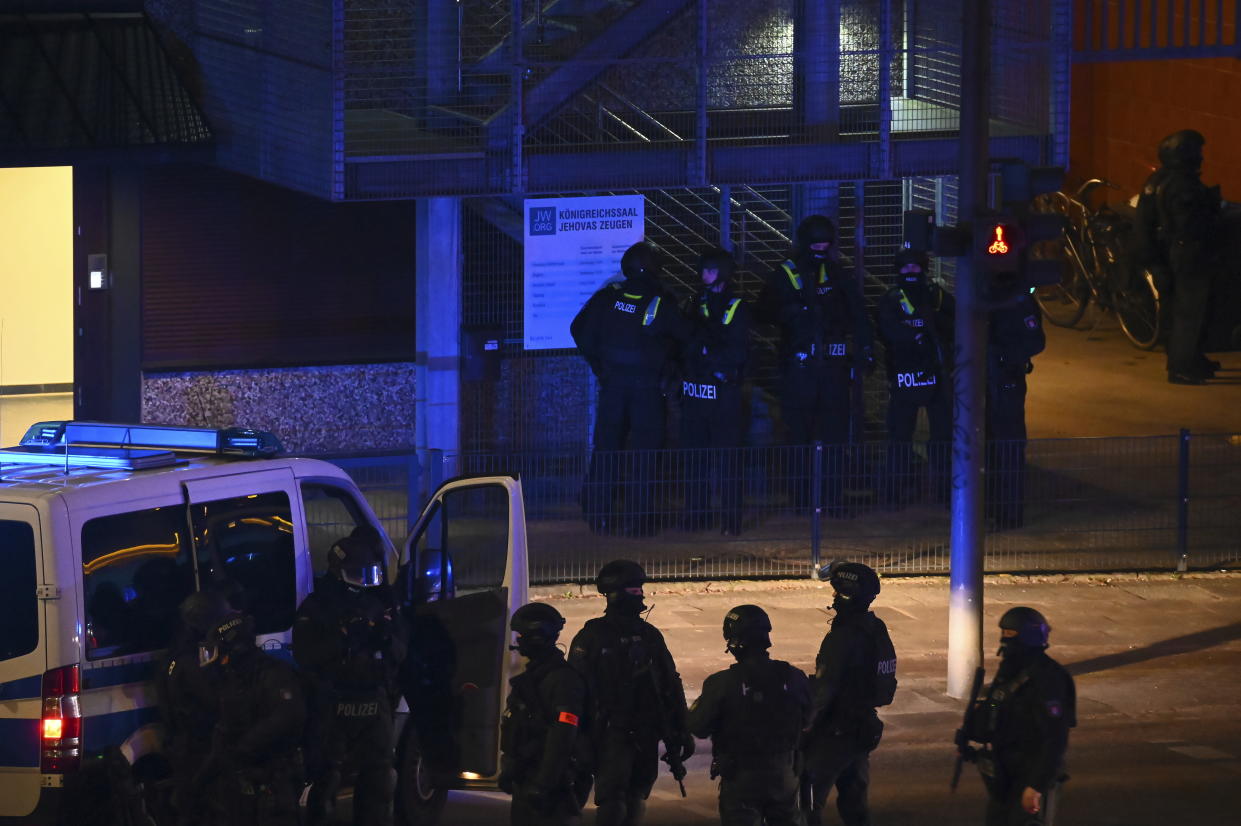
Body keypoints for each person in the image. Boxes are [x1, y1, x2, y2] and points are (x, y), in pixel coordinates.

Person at [571, 241, 691, 536]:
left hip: (613, 388)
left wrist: (601, 369)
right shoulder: (661, 302)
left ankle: (600, 519)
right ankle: (640, 523)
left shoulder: (607, 297)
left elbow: (579, 330)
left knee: (606, 451)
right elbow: (687, 336)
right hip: (647, 390)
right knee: (644, 455)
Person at [760, 214, 874, 514]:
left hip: (833, 368)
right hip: (800, 368)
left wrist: (864, 348)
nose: (821, 250)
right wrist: (791, 313)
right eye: (816, 244)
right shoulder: (785, 274)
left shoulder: (838, 274)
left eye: (826, 244)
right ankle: (800, 499)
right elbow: (764, 311)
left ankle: (832, 498)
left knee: (834, 434)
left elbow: (858, 314)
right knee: (798, 433)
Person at [294, 530, 409, 826]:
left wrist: (385, 639)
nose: (365, 582)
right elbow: (307, 655)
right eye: (358, 575)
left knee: (379, 777)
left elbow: (400, 650)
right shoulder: (317, 607)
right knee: (327, 776)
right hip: (335, 702)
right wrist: (344, 640)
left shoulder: (379, 603)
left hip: (374, 699)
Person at [568, 559, 694, 826]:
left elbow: (670, 685)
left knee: (636, 795)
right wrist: (578, 738)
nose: (642, 595)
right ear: (617, 594)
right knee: (614, 799)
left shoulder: (649, 636)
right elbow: (574, 692)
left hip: (645, 730)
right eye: (636, 590)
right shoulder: (593, 637)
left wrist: (681, 729)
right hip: (610, 732)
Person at [687, 605, 812, 826]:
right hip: (784, 771)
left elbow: (698, 725)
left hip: (742, 775)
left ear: (735, 641)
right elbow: (809, 716)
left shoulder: (722, 683)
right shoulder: (794, 676)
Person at [957, 607, 1076, 826]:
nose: (1005, 640)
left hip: (1031, 771)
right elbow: (997, 705)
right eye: (1004, 633)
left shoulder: (1048, 678)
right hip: (1004, 771)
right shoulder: (1011, 668)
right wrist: (973, 730)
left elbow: (1055, 738)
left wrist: (1036, 785)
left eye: (1011, 634)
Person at [800, 561, 897, 826]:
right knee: (855, 805)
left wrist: (804, 728)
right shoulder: (875, 629)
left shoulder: (842, 638)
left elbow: (824, 689)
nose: (832, 597)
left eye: (836, 591)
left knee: (806, 801)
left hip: (834, 732)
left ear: (846, 594)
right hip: (861, 728)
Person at [192, 609, 306, 826]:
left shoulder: (272, 674)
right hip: (243, 785)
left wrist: (243, 747)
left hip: (274, 781)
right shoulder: (232, 682)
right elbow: (224, 735)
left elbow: (288, 716)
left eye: (219, 650)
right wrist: (198, 784)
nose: (216, 658)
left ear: (234, 647)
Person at [1136, 129, 1223, 384]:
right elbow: (1190, 225)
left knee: (1183, 310)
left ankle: (1192, 358)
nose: (1201, 158)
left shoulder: (1159, 181)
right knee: (1189, 312)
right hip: (1187, 255)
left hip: (1168, 255)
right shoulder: (1181, 185)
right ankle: (1182, 366)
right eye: (1197, 153)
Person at [680, 246, 751, 536]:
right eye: (703, 269)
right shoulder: (694, 302)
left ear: (722, 273)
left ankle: (730, 520)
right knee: (695, 459)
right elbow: (685, 343)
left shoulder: (737, 306)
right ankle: (697, 517)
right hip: (696, 394)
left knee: (727, 461)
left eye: (709, 270)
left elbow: (739, 350)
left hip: (724, 396)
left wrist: (709, 353)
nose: (703, 275)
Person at [875, 248, 954, 506]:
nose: (911, 272)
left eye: (915, 267)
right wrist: (918, 334)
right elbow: (888, 332)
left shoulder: (937, 296)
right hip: (904, 377)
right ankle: (893, 495)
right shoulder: (890, 299)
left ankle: (944, 493)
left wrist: (931, 326)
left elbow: (956, 324)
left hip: (937, 376)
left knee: (942, 438)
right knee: (899, 439)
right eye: (906, 268)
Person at [500, 602, 591, 826]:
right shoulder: (533, 677)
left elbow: (562, 735)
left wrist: (544, 784)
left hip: (553, 791)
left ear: (536, 637)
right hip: (528, 778)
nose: (518, 640)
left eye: (521, 634)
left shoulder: (563, 681)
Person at [156, 591, 230, 826]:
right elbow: (214, 700)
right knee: (209, 808)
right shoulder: (191, 662)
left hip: (183, 744)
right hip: (199, 746)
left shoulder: (173, 657)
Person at [986, 283, 1045, 530]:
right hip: (984, 382)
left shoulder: (1018, 302)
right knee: (988, 448)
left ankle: (1008, 513)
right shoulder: (979, 295)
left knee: (1009, 447)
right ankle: (991, 508)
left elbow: (1035, 340)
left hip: (1006, 381)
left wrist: (1006, 357)